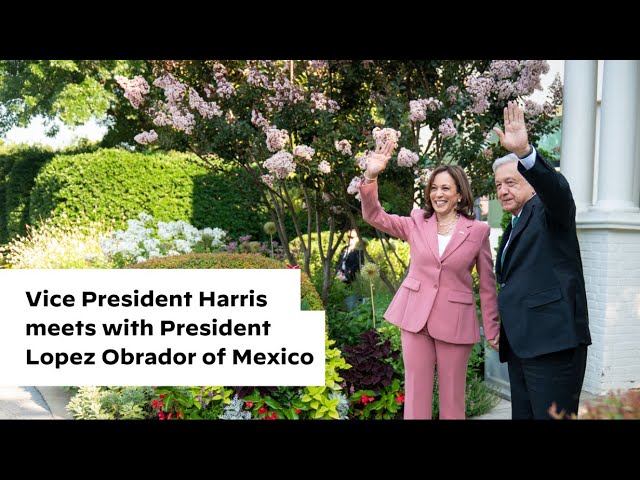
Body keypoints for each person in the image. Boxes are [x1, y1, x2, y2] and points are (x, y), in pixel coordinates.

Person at [359, 143, 500, 420]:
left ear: (459, 194)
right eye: (434, 188)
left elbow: (487, 285)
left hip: (455, 321)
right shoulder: (415, 222)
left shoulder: (478, 231)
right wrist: (371, 177)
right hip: (415, 318)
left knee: (452, 400)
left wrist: (492, 328)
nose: (438, 194)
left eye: (446, 188)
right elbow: (374, 216)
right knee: (416, 396)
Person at [492, 101, 591, 419]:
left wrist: (525, 155)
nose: (503, 191)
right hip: (523, 345)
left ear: (532, 184)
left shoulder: (551, 212)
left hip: (553, 346)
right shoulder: (514, 223)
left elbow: (557, 190)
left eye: (511, 182)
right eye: (498, 186)